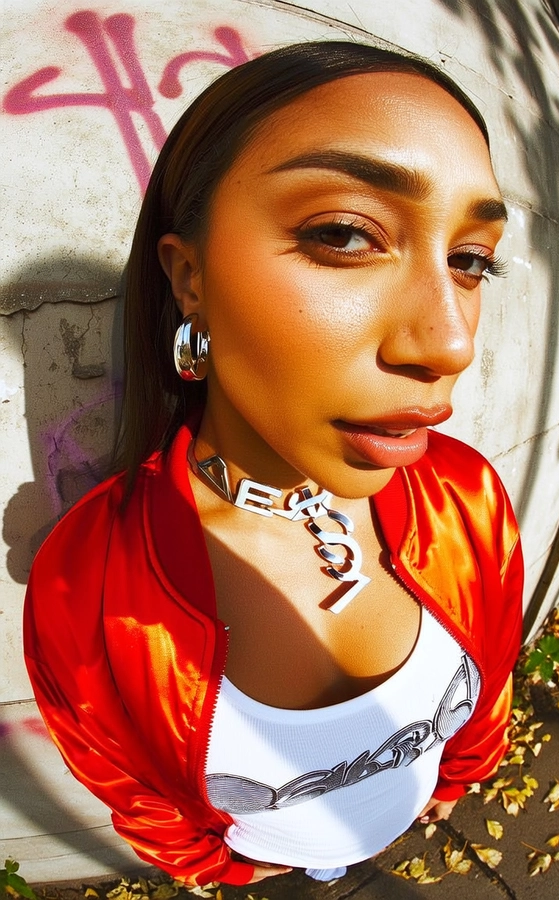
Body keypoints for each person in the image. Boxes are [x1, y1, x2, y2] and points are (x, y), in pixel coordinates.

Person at [24, 40, 523, 888]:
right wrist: (217, 869)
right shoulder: (90, 586)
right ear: (190, 278)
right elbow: (132, 786)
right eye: (344, 234)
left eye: (469, 260)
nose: (450, 344)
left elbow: (495, 670)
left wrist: (457, 777)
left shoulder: (464, 494)